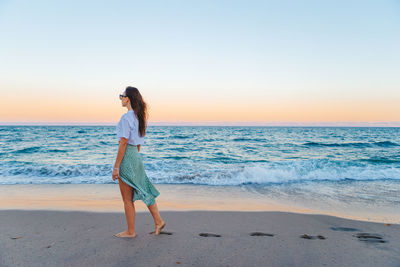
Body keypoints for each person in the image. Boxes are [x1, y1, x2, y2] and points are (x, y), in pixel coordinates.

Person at [112, 86, 165, 238]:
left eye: (122, 95)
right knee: (144, 188)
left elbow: (123, 143)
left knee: (127, 199)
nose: (121, 98)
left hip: (128, 156)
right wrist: (134, 157)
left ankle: (130, 231)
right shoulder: (139, 117)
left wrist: (116, 167)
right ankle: (158, 221)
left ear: (128, 98)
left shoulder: (126, 118)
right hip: (136, 155)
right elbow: (138, 143)